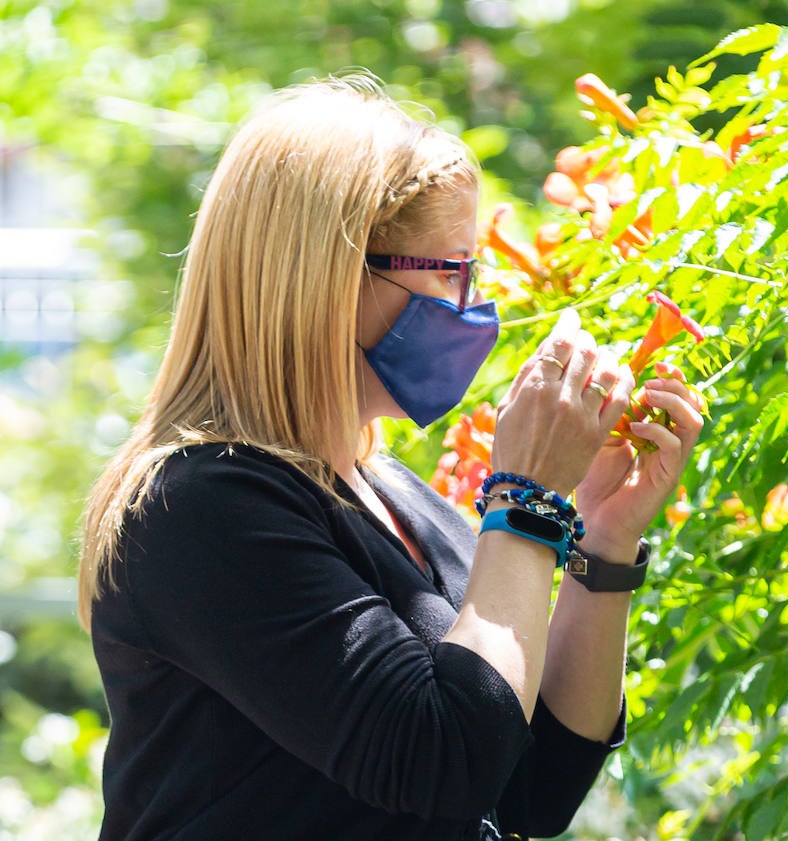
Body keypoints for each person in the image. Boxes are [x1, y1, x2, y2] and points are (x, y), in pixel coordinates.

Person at [77, 73, 704, 840]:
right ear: (328, 280)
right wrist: (527, 496)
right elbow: (441, 759)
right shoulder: (199, 506)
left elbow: (531, 786)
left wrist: (603, 539)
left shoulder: (395, 493)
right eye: (450, 270)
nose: (475, 306)